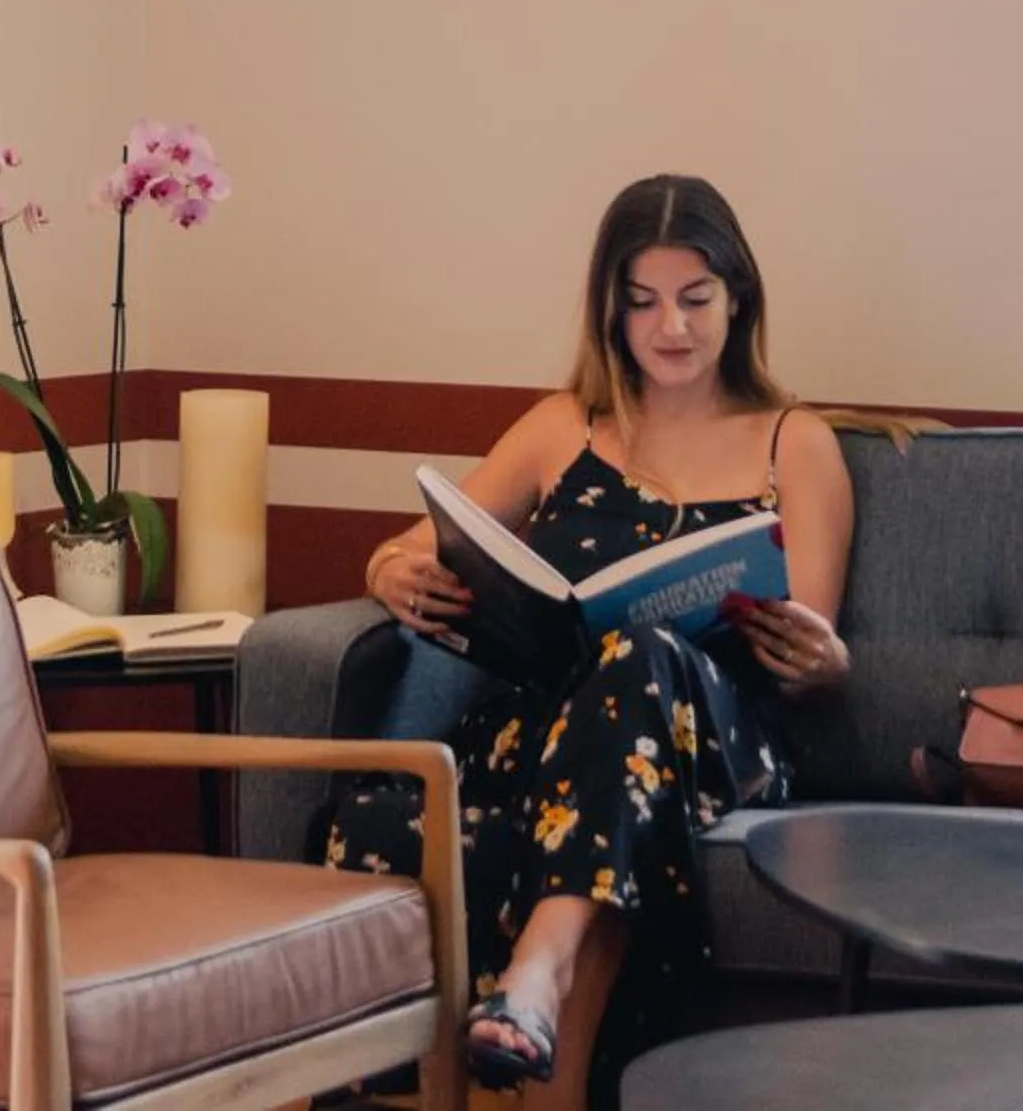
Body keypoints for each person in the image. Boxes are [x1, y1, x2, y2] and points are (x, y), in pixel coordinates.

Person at [336, 174, 854, 1107]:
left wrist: (825, 660)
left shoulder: (795, 442)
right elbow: (417, 544)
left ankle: (538, 970)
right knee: (419, 808)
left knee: (640, 658)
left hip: (717, 743)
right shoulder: (559, 428)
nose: (673, 328)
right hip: (559, 739)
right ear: (610, 313)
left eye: (696, 300)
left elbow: (813, 647)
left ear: (738, 299)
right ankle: (535, 1033)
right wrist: (388, 571)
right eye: (643, 303)